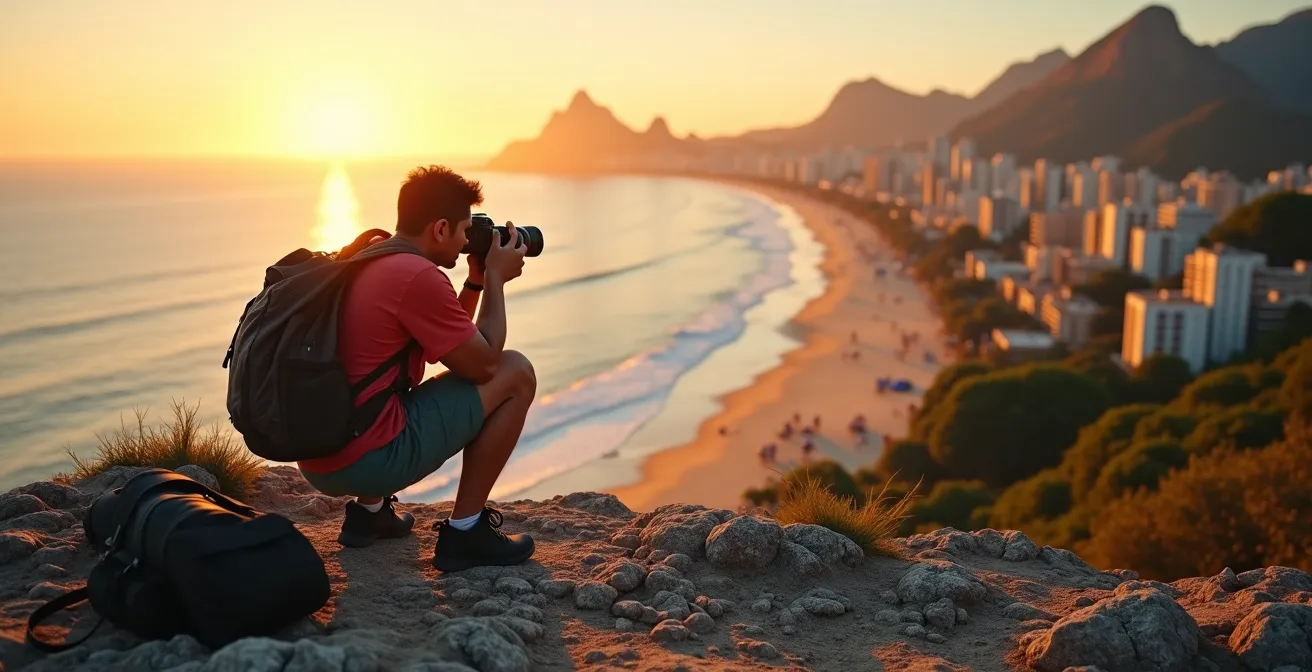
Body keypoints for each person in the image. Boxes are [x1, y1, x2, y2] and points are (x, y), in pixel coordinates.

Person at [295, 165, 537, 572]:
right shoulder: (417, 276)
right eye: (464, 231)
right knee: (516, 372)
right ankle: (465, 531)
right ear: (440, 229)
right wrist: (495, 277)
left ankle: (369, 515)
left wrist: (474, 282)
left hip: (319, 457)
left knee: (384, 387)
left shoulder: (368, 256)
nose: (465, 243)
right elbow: (485, 364)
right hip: (367, 460)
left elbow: (444, 347)